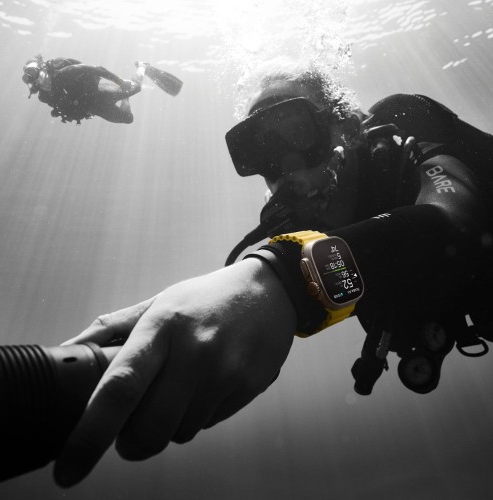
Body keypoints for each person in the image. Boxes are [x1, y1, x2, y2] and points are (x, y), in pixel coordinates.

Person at [53, 68, 493, 487]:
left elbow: (453, 221)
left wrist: (282, 278)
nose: (286, 164)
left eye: (298, 131)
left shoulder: (409, 139)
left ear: (348, 128)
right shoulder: (318, 226)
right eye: (260, 147)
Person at [22, 55, 183, 124]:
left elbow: (97, 69)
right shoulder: (44, 97)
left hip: (100, 92)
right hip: (94, 108)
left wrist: (120, 82)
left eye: (33, 72)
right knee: (128, 119)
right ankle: (125, 97)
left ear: (42, 68)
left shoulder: (65, 73)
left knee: (137, 88)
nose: (34, 78)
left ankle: (142, 66)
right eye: (28, 77)